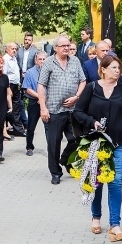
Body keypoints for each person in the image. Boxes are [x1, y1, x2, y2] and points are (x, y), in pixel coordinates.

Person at [73, 55, 122, 243]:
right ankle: (96, 217)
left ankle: (115, 225)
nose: (117, 71)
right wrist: (92, 122)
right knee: (97, 181)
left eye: (118, 68)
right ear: (103, 69)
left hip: (118, 144)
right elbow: (78, 112)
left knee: (115, 182)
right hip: (96, 143)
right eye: (113, 67)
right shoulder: (91, 88)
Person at [38, 35, 86, 185]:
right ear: (55, 48)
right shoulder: (48, 62)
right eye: (63, 46)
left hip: (73, 109)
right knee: (54, 142)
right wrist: (43, 108)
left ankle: (64, 159)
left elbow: (83, 81)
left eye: (68, 45)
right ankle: (55, 172)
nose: (66, 48)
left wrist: (76, 97)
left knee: (76, 139)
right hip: (54, 109)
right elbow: (41, 85)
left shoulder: (75, 61)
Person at [21, 51, 47, 156]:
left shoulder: (51, 71)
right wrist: (40, 97)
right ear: (36, 60)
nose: (42, 61)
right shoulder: (30, 72)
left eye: (44, 59)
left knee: (49, 128)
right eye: (40, 59)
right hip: (34, 102)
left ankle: (51, 148)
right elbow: (27, 89)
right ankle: (29, 147)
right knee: (31, 126)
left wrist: (44, 99)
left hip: (47, 102)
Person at [3, 42, 26, 137]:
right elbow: (4, 75)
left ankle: (18, 130)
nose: (14, 50)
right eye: (12, 48)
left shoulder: (14, 59)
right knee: (8, 107)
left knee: (16, 108)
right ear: (7, 49)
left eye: (16, 49)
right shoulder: (5, 59)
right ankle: (5, 129)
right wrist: (8, 88)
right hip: (9, 86)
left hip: (16, 85)